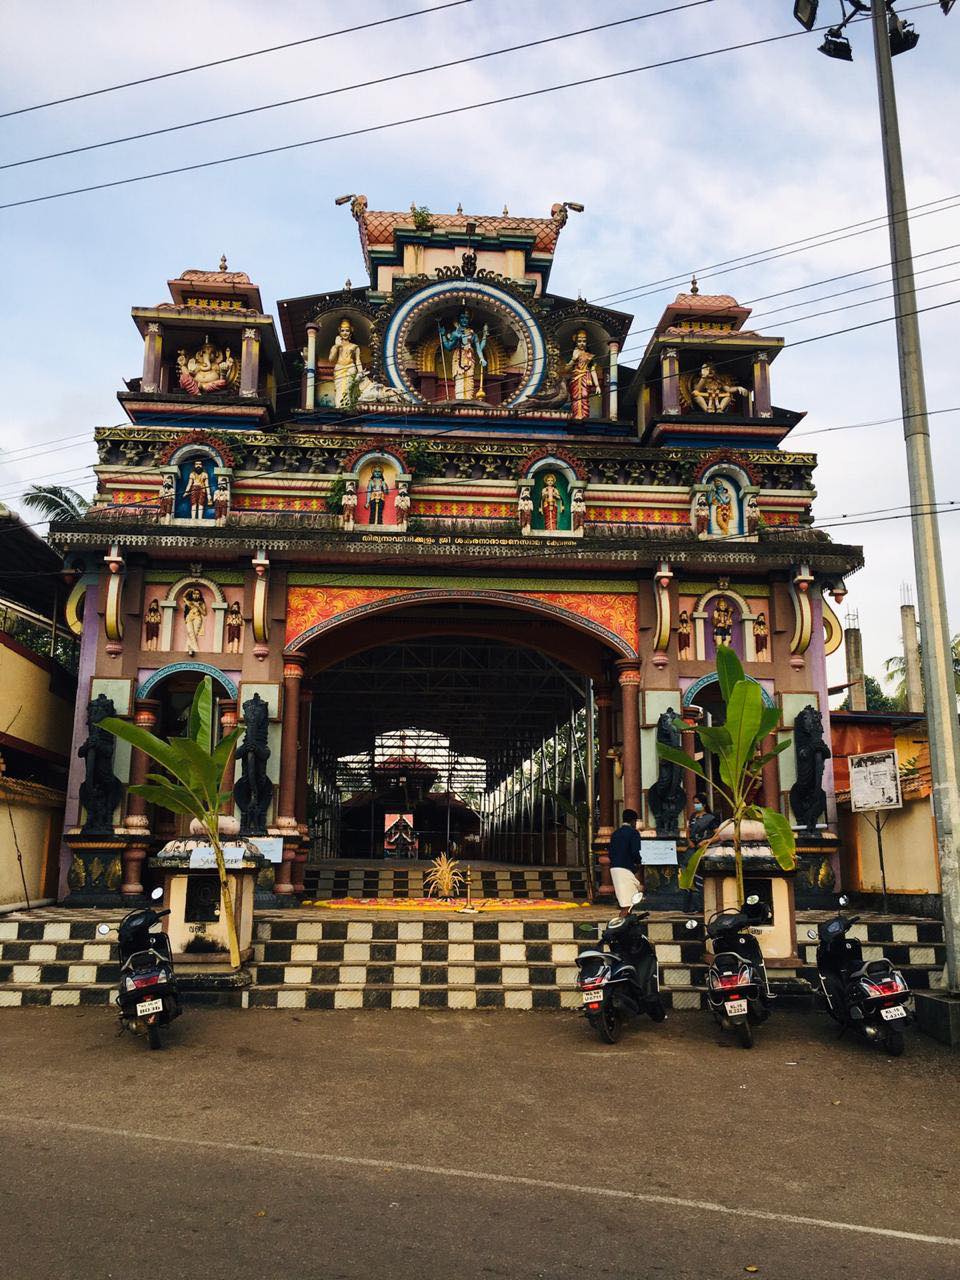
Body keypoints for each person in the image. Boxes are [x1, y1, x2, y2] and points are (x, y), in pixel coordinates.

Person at [608, 808, 643, 915]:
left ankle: (625, 925)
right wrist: (638, 862)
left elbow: (610, 852)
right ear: (633, 821)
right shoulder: (633, 833)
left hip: (614, 868)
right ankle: (621, 926)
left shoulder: (615, 833)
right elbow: (635, 852)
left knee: (626, 902)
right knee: (628, 903)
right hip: (626, 868)